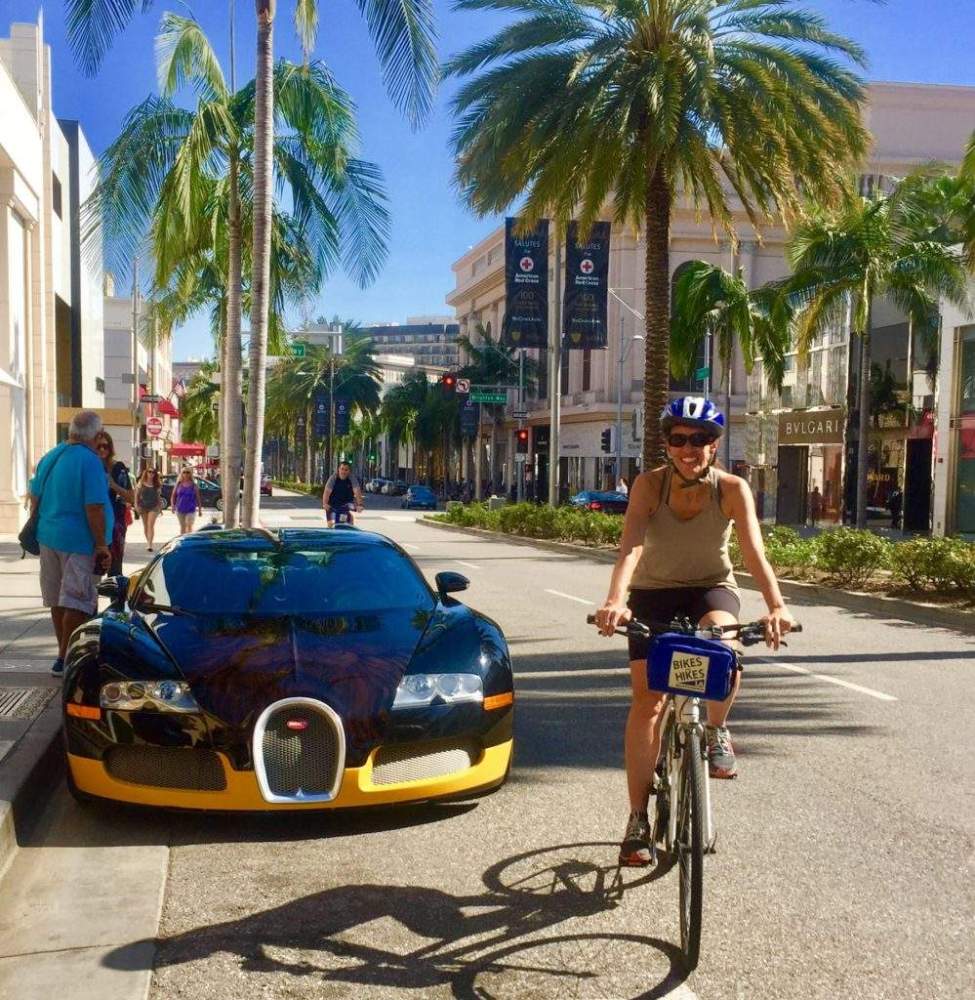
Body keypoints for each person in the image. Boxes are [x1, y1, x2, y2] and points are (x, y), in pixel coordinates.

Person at [594, 396, 795, 866]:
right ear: (667, 444)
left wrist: (777, 606)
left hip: (711, 589)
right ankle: (637, 820)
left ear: (714, 445)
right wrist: (616, 601)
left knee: (725, 647)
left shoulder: (732, 489)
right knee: (649, 702)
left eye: (700, 439)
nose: (690, 449)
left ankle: (717, 730)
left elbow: (754, 553)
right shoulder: (649, 485)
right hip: (653, 593)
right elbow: (631, 547)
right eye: (680, 439)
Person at [29, 411, 113, 676]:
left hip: (48, 537)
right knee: (77, 601)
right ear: (96, 435)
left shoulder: (51, 456)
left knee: (57, 600)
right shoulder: (90, 461)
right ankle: (66, 658)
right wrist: (101, 545)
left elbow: (34, 496)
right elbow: (94, 507)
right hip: (79, 542)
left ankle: (63, 654)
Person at [95, 431, 134, 576]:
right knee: (95, 569)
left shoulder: (118, 468)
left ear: (110, 448)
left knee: (115, 569)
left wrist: (113, 485)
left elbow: (131, 497)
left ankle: (115, 591)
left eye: (105, 446)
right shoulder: (89, 467)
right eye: (98, 446)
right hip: (94, 522)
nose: (102, 449)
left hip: (115, 524)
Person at [322, 461, 363, 526]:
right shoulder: (333, 478)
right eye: (342, 469)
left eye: (346, 470)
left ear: (349, 471)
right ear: (338, 469)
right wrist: (325, 503)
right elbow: (327, 491)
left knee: (350, 519)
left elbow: (357, 491)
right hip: (333, 505)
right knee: (330, 523)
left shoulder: (352, 478)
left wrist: (360, 505)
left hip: (346, 504)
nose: (343, 472)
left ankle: (349, 529)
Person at [136, 468, 163, 550]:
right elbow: (137, 495)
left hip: (154, 507)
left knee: (150, 525)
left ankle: (150, 545)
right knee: (145, 525)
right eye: (149, 472)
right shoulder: (141, 483)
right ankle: (148, 541)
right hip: (143, 506)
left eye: (153, 472)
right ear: (146, 473)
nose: (151, 474)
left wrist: (160, 508)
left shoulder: (157, 484)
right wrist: (136, 505)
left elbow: (158, 497)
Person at [173, 467, 203, 534]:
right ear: (181, 474)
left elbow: (198, 498)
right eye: (184, 472)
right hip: (180, 509)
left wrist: (200, 510)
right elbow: (173, 496)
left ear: (190, 474)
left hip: (191, 509)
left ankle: (188, 538)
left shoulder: (194, 485)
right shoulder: (178, 484)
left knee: (189, 525)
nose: (186, 474)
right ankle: (182, 539)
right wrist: (173, 506)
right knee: (183, 527)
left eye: (187, 472)